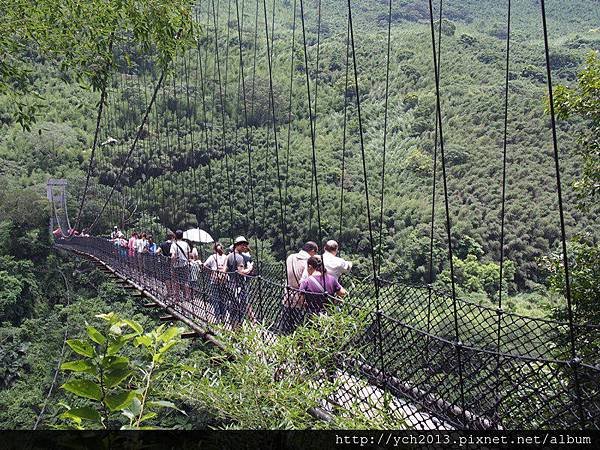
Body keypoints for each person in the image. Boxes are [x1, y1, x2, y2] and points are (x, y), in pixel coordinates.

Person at [281, 241, 319, 332]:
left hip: (287, 295)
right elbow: (304, 281)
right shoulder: (308, 262)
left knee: (286, 325)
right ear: (312, 251)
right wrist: (303, 301)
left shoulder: (290, 257)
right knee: (299, 327)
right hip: (300, 299)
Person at [226, 236, 254, 327]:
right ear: (236, 245)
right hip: (239, 286)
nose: (244, 247)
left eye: (245, 245)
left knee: (233, 307)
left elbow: (224, 270)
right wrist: (249, 269)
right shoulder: (240, 258)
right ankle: (239, 328)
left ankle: (234, 327)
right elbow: (241, 272)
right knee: (241, 307)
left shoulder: (229, 256)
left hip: (230, 285)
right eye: (242, 245)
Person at [204, 242, 228, 322]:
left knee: (215, 299)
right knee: (223, 300)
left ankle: (218, 318)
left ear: (214, 249)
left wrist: (210, 272)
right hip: (224, 280)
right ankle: (223, 317)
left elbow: (205, 266)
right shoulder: (226, 257)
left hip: (214, 280)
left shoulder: (212, 257)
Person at [170, 229, 191, 302]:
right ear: (182, 236)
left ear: (175, 236)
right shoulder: (186, 244)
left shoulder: (174, 244)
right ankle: (187, 297)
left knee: (176, 281)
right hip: (185, 264)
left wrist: (172, 264)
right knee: (186, 281)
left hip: (176, 265)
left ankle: (177, 297)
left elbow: (173, 256)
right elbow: (189, 255)